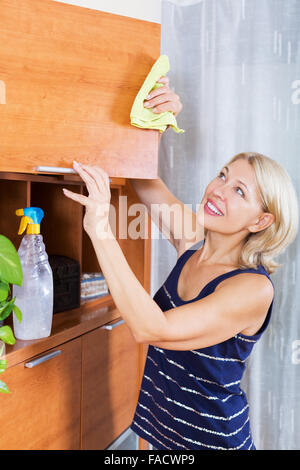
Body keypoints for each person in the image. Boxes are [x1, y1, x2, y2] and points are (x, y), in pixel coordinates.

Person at [63, 77, 299, 450]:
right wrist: (158, 119)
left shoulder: (253, 288)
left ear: (260, 221)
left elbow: (151, 328)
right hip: (160, 433)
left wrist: (100, 228)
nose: (218, 190)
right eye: (222, 175)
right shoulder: (193, 240)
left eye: (239, 191)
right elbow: (145, 180)